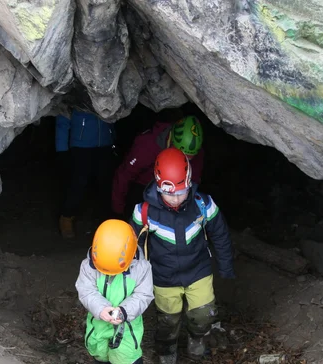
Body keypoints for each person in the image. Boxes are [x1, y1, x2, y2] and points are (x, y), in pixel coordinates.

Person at [130, 147, 235, 363]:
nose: (175, 199)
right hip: (163, 276)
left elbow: (220, 234)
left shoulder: (203, 205)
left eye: (181, 192)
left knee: (204, 315)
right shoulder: (144, 212)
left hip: (198, 271)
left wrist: (225, 265)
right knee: (168, 321)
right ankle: (167, 352)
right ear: (159, 187)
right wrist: (131, 280)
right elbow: (132, 247)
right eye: (169, 193)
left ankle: (197, 342)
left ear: (189, 182)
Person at [75, 219, 154, 364]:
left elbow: (144, 295)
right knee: (99, 354)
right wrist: (101, 308)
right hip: (98, 325)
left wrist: (125, 311)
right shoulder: (88, 266)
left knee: (126, 357)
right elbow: (86, 291)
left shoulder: (141, 268)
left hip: (128, 327)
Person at [111, 114, 204, 219]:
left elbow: (194, 181)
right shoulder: (147, 145)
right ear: (172, 141)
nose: (185, 159)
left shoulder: (196, 151)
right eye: (182, 155)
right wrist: (118, 210)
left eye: (189, 158)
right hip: (142, 186)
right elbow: (125, 174)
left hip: (176, 189)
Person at [57, 108, 116, 238]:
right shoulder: (76, 95)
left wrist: (113, 138)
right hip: (81, 146)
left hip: (105, 145)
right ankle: (66, 217)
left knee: (105, 182)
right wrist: (61, 150)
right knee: (78, 182)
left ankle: (107, 220)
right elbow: (63, 119)